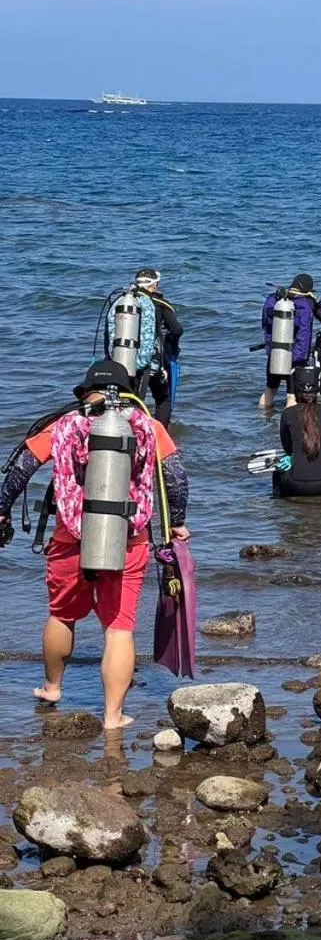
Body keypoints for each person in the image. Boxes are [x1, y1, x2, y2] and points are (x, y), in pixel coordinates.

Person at [0, 360, 189, 730]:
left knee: (61, 615)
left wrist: (2, 509)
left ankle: (53, 687)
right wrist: (177, 524)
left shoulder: (64, 425)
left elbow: (21, 466)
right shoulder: (148, 427)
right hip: (128, 540)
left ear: (86, 393)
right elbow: (177, 478)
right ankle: (113, 716)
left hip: (70, 538)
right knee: (119, 629)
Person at [273, 365, 321, 498]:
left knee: (278, 469)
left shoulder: (288, 414)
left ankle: (278, 505)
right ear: (317, 390)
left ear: (295, 390)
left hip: (297, 485)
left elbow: (288, 448)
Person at [259, 273, 321, 410]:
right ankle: (288, 426)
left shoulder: (275, 300)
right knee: (291, 396)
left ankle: (263, 421)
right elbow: (305, 332)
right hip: (295, 357)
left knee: (270, 390)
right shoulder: (306, 304)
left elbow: (265, 324)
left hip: (275, 353)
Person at [133, 268, 183, 427]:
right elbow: (177, 329)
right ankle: (160, 434)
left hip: (126, 357)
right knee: (163, 399)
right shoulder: (160, 304)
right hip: (152, 360)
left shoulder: (128, 300)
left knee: (133, 398)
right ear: (155, 285)